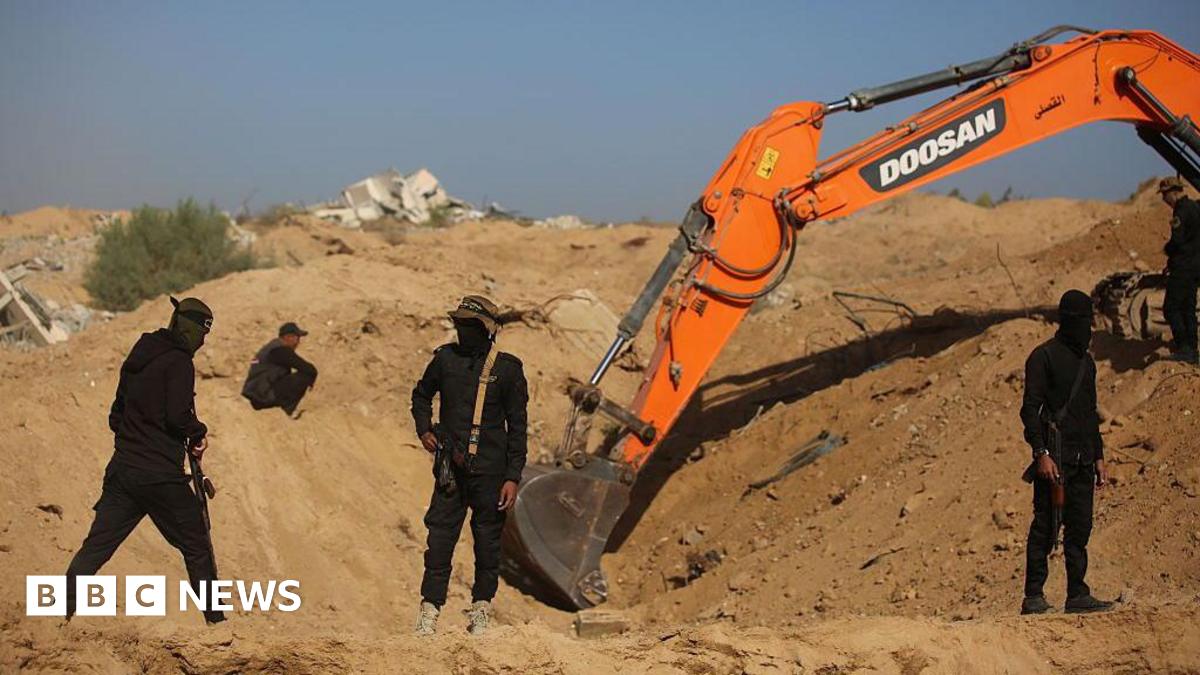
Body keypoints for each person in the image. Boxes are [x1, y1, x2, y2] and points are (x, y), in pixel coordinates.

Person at [64, 297, 224, 624]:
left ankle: (57, 615)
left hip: (123, 471)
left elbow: (115, 416)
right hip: (160, 475)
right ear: (193, 330)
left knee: (95, 548)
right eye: (203, 334)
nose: (203, 341)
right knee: (197, 545)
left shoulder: (140, 355)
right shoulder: (179, 362)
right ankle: (217, 625)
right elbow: (178, 417)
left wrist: (136, 439)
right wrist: (198, 432)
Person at [410, 295, 528, 636]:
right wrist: (424, 429)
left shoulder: (507, 369)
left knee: (487, 542)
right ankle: (429, 612)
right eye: (459, 324)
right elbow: (420, 395)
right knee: (440, 539)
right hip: (450, 467)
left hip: (491, 471)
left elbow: (518, 427)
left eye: (470, 325)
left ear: (487, 329)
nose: (462, 331)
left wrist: (512, 477)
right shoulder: (445, 360)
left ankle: (481, 609)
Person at [1017, 290, 1113, 615]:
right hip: (1055, 458)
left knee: (1080, 527)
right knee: (1046, 526)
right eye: (1083, 322)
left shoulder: (1087, 363)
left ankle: (1077, 594)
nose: (1087, 328)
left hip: (1083, 458)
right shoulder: (1042, 357)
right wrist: (1040, 452)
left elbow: (1089, 413)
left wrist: (1099, 456)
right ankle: (1034, 595)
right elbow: (1030, 410)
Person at [1159, 177, 1200, 365]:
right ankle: (1192, 349)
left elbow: (1178, 241)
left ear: (1173, 192)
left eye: (1165, 195)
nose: (1163, 200)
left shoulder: (1182, 211)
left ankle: (1184, 347)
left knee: (1171, 308)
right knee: (1188, 308)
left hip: (1184, 268)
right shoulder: (1194, 207)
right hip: (1194, 267)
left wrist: (1167, 251)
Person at [241, 322, 318, 418]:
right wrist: (312, 378)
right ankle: (285, 413)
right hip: (261, 396)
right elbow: (307, 368)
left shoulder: (272, 347)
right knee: (304, 376)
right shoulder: (279, 350)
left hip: (255, 393)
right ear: (288, 337)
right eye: (297, 338)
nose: (298, 343)